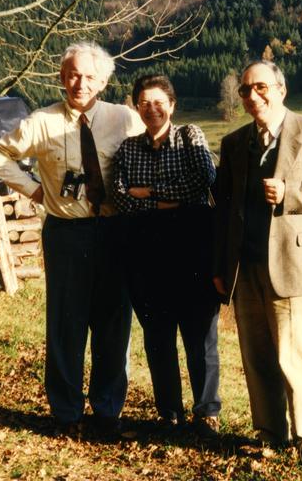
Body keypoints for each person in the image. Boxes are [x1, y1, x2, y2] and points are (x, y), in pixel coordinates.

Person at [0, 41, 145, 438]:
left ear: (104, 81)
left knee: (113, 324)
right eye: (73, 74)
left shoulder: (125, 119)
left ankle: (108, 412)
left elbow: (151, 151)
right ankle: (65, 412)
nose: (80, 83)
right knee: (65, 324)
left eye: (90, 76)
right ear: (61, 77)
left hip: (114, 233)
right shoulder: (42, 121)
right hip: (66, 234)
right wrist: (35, 190)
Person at [212, 60, 302, 466]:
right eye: (244, 90)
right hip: (246, 267)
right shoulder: (235, 142)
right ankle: (270, 433)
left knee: (297, 357)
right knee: (257, 357)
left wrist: (291, 192)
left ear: (281, 90)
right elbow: (223, 208)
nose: (252, 96)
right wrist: (222, 266)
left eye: (260, 87)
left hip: (295, 266)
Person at [112, 74, 221, 437]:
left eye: (159, 102)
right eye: (144, 103)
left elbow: (202, 180)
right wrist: (163, 198)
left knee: (199, 332)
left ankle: (206, 412)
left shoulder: (190, 136)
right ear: (136, 107)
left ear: (172, 105)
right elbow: (121, 196)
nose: (152, 109)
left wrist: (149, 195)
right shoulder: (128, 149)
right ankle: (168, 412)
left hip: (192, 244)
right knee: (158, 334)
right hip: (145, 249)